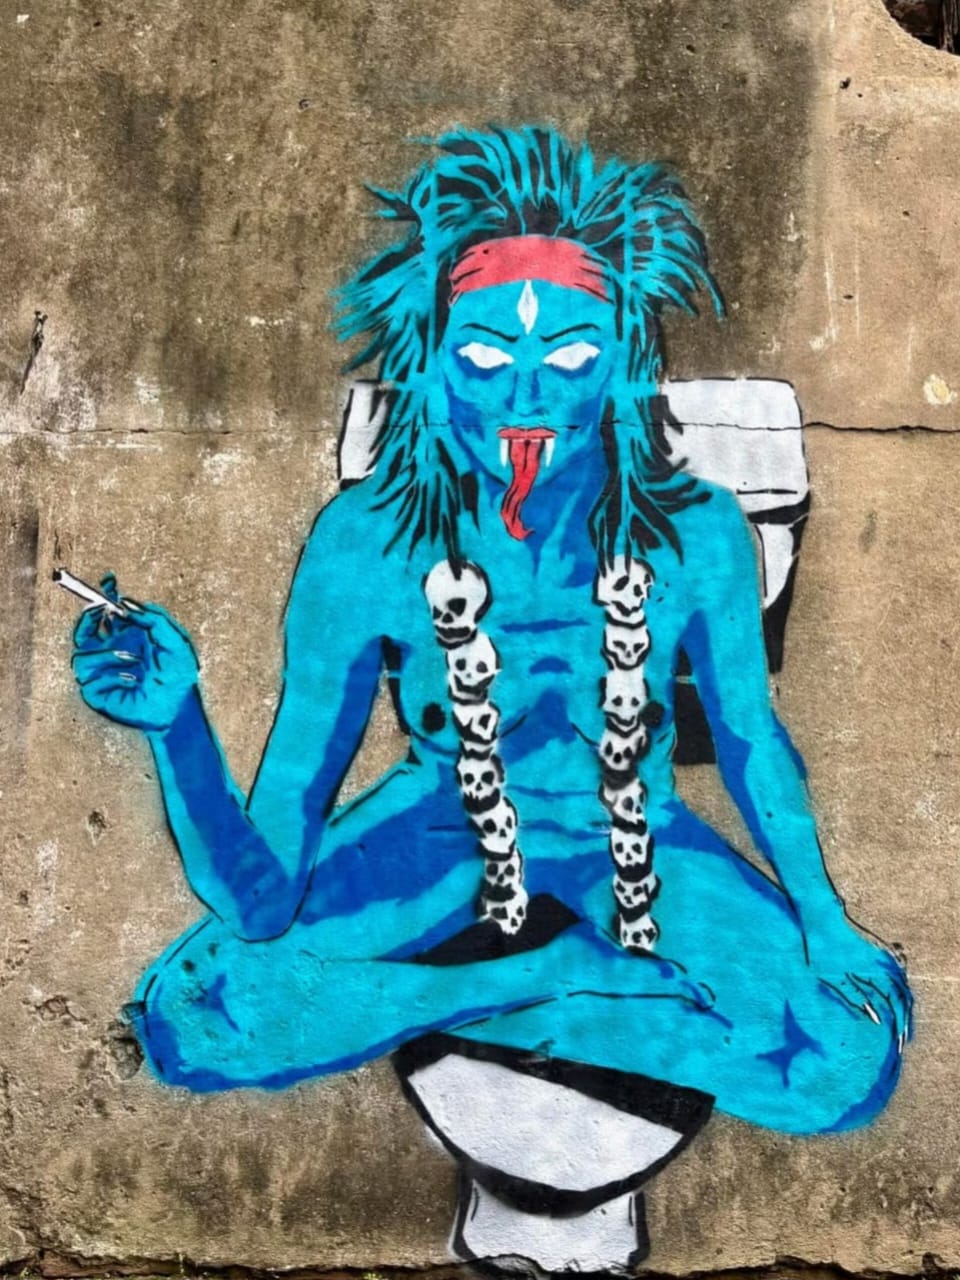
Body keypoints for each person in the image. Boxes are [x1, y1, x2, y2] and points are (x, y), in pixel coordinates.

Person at [70, 126, 909, 1134]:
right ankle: (546, 980)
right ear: (431, 364)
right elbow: (261, 901)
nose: (526, 393)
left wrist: (824, 918)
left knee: (845, 1059)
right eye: (483, 353)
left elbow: (751, 742)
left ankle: (487, 998)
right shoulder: (368, 541)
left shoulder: (697, 531)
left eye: (570, 352)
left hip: (637, 845)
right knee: (194, 1017)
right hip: (431, 843)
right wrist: (177, 727)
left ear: (623, 361)